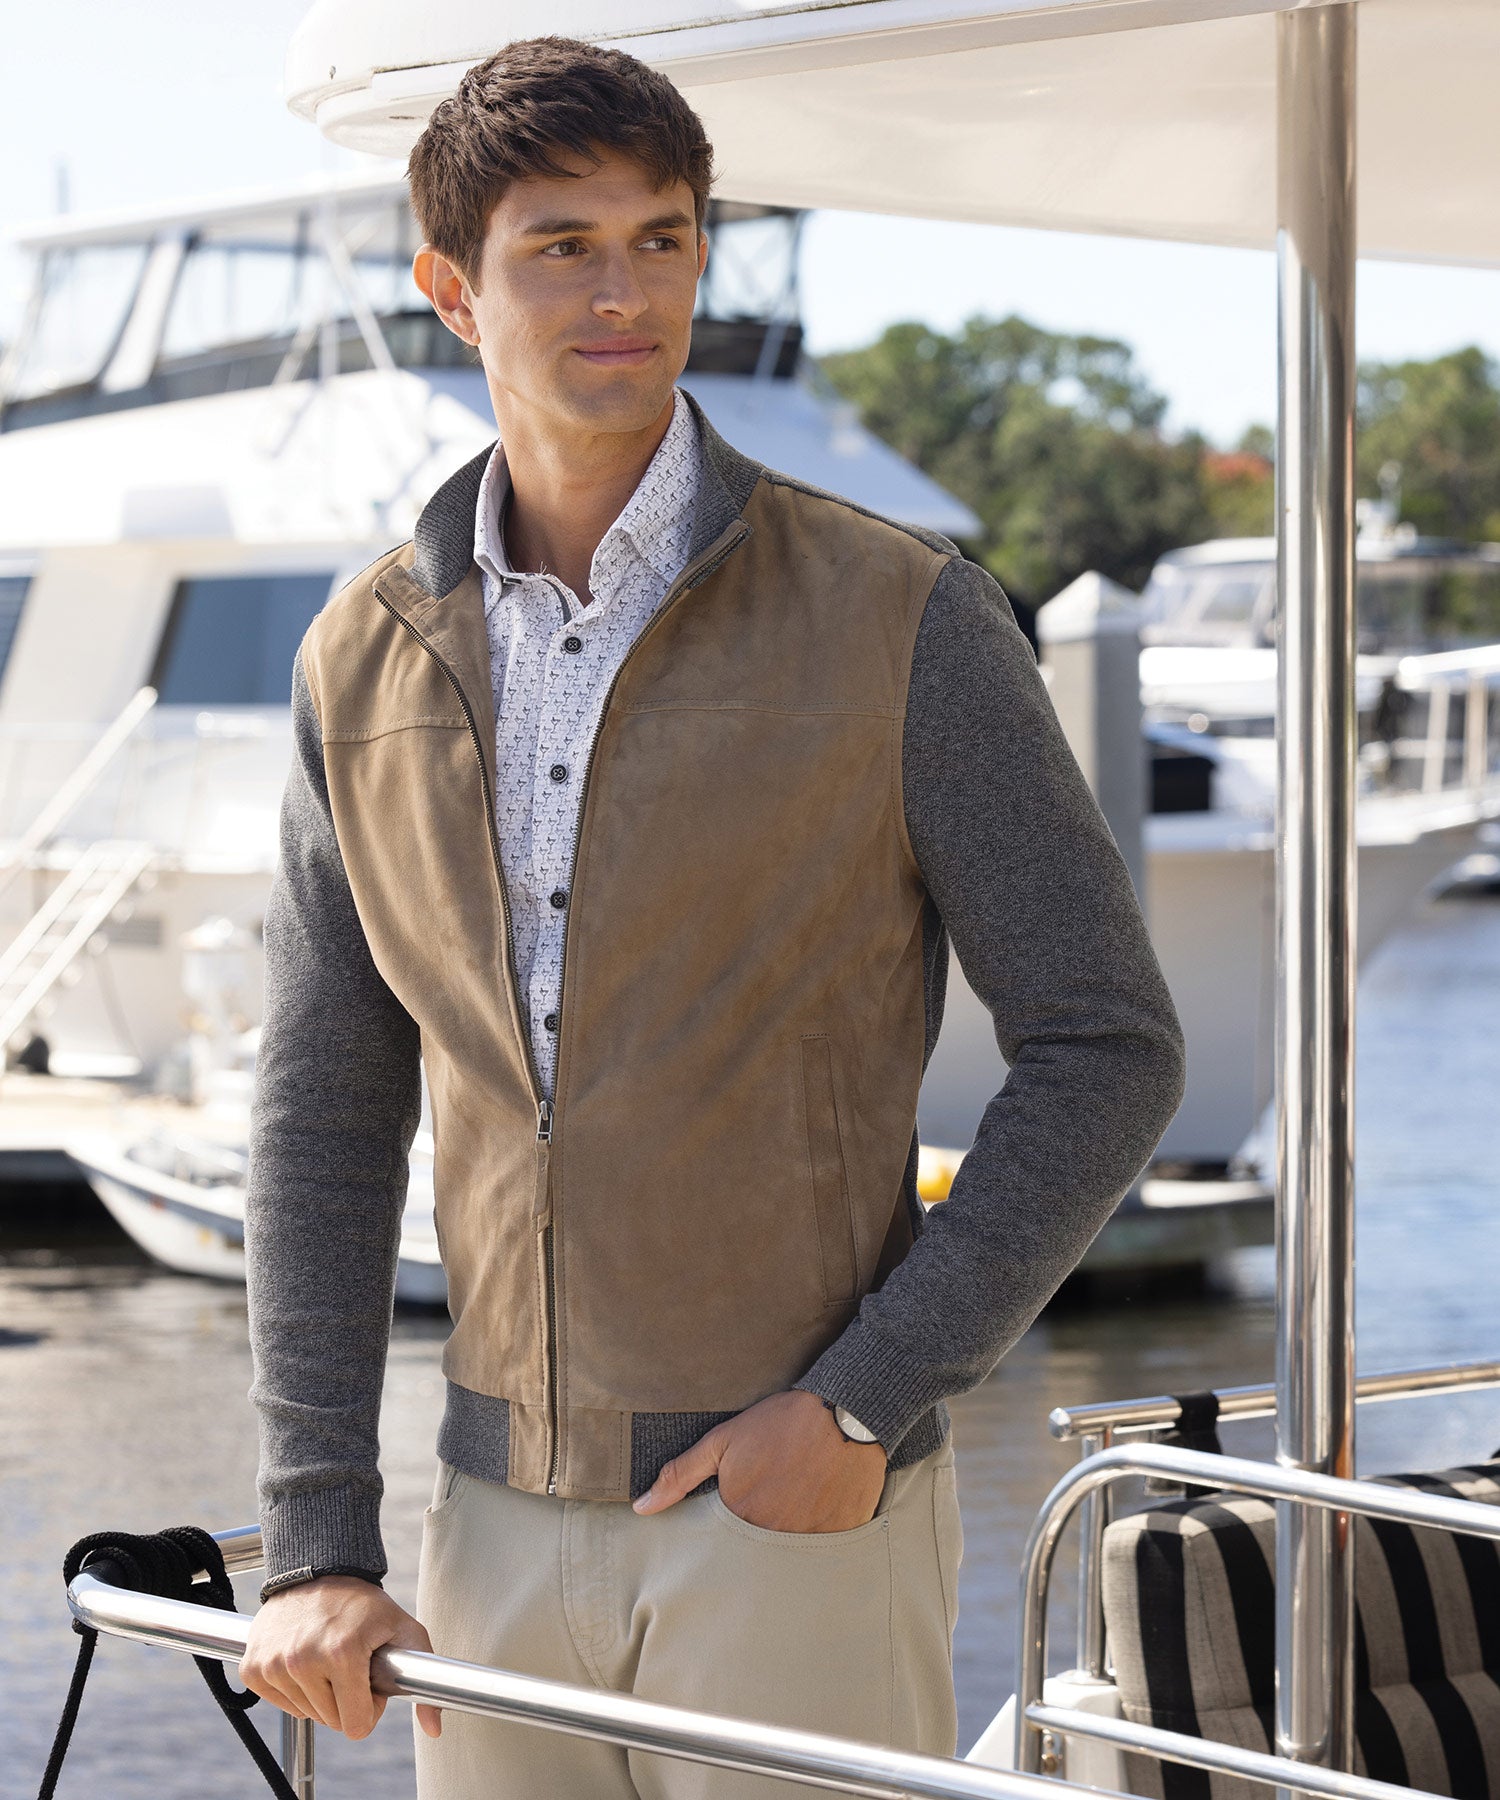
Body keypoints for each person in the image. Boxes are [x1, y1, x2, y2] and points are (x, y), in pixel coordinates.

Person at [238, 33, 1186, 1800]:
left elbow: (1107, 1046)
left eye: (662, 240)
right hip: (488, 1534)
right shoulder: (362, 655)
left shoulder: (904, 614)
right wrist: (313, 1538)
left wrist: (864, 1400)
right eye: (564, 247)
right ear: (452, 290)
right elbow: (322, 1116)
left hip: (795, 1517)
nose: (625, 293)